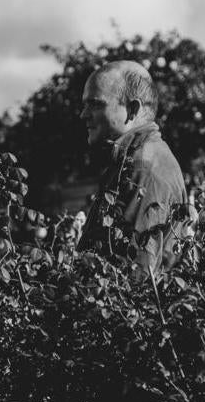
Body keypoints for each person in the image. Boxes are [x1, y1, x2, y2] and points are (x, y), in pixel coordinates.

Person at [78, 60, 187, 270]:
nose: (84, 114)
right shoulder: (130, 159)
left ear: (132, 109)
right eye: (85, 104)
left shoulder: (142, 168)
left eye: (96, 104)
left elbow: (133, 278)